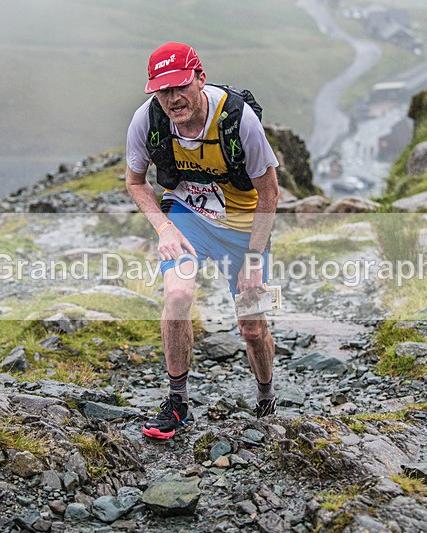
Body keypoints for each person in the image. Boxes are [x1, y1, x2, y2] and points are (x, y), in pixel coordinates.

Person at [125, 42, 280, 439]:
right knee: (177, 295)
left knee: (252, 327)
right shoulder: (146, 120)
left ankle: (266, 396)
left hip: (244, 225)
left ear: (200, 78)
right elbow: (136, 182)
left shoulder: (238, 119)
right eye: (163, 90)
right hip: (187, 216)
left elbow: (269, 192)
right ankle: (177, 403)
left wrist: (253, 259)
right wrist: (165, 228)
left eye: (180, 86)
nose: (173, 99)